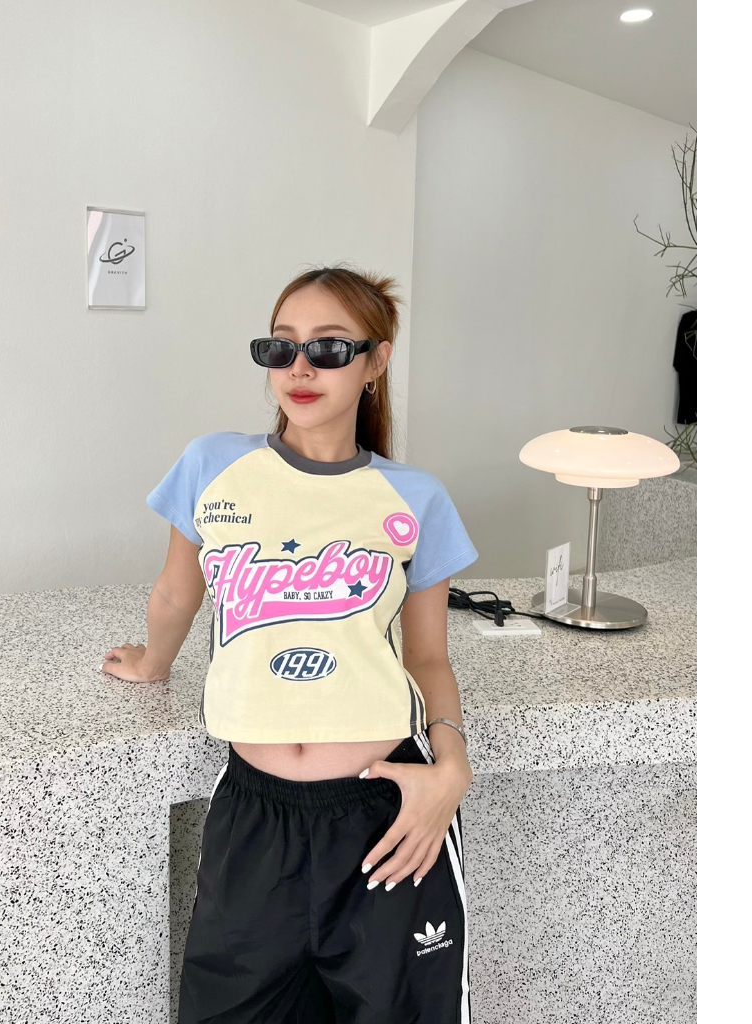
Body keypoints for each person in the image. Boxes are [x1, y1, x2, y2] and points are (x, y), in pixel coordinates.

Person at [102, 265, 478, 1023]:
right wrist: (151, 661)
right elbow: (177, 592)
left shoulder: (416, 498)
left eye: (330, 348)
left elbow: (428, 659)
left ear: (376, 363)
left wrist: (452, 768)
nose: (300, 368)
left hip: (386, 813)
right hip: (253, 813)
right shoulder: (213, 466)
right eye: (281, 347)